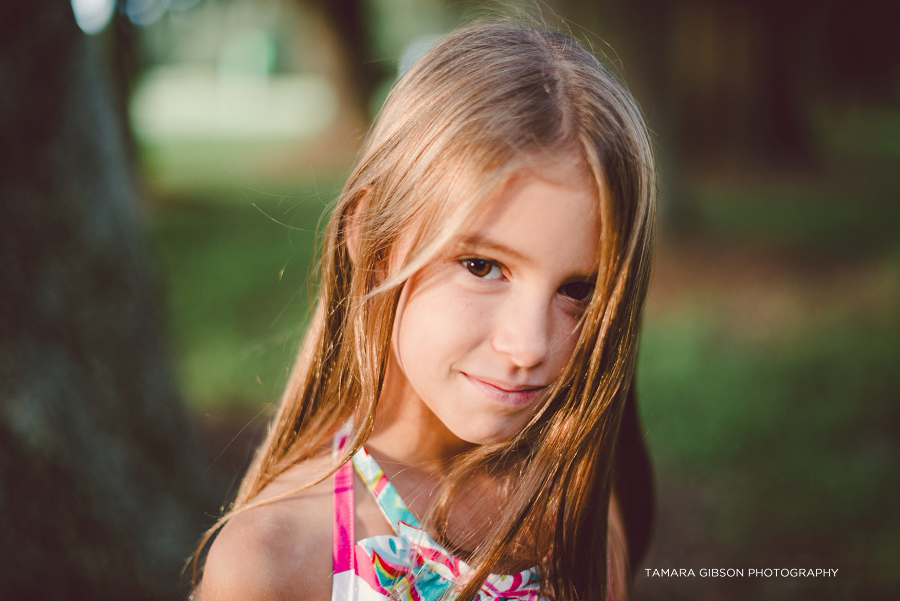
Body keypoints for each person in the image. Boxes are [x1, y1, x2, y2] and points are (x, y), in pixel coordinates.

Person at [198, 22, 656, 601]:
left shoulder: (578, 506)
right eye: (483, 267)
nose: (530, 345)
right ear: (373, 237)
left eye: (579, 289)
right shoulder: (274, 562)